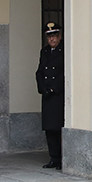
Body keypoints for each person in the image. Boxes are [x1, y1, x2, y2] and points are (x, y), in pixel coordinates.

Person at [35, 22, 64, 169]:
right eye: (49, 37)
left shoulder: (64, 51)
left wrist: (53, 89)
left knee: (58, 128)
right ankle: (53, 157)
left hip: (57, 95)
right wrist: (42, 88)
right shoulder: (45, 52)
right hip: (47, 95)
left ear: (59, 37)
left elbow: (63, 73)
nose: (52, 39)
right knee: (49, 128)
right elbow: (40, 72)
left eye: (54, 36)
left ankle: (61, 158)